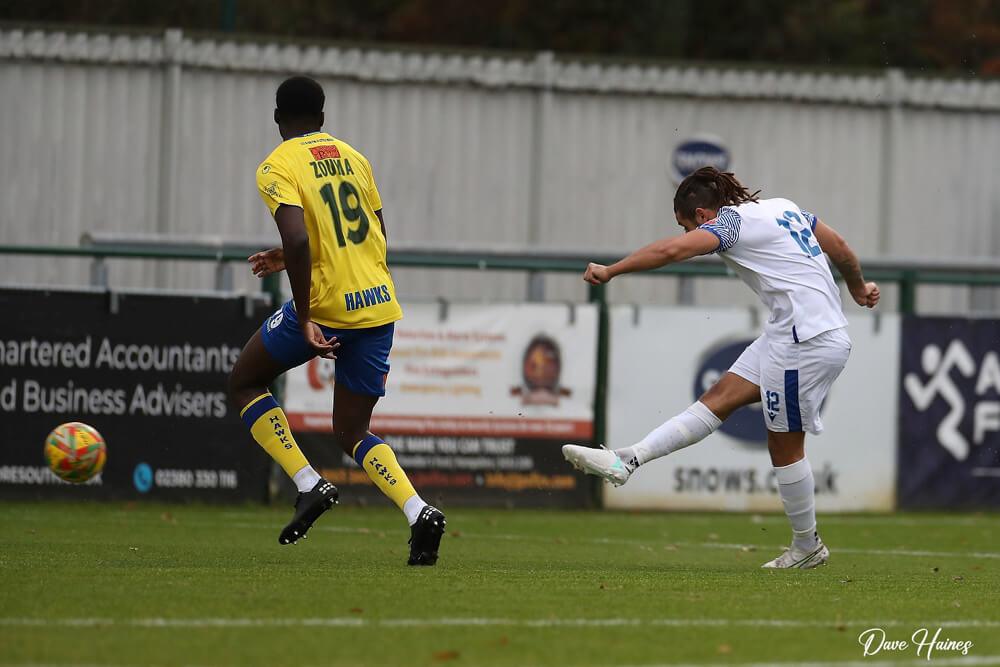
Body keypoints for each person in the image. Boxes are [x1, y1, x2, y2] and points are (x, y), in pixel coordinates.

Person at [563, 166, 879, 569]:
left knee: (784, 445)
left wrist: (611, 270)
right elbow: (840, 245)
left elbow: (670, 252)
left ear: (700, 216)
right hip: (792, 334)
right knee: (719, 399)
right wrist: (856, 286)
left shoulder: (728, 223)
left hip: (806, 341)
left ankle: (807, 546)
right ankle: (629, 459)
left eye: (685, 226)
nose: (686, 235)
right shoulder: (783, 208)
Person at [227, 75, 446, 565]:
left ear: (278, 118)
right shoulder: (356, 158)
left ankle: (308, 483)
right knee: (351, 431)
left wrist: (305, 316)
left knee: (244, 382)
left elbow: (304, 239)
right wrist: (291, 256)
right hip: (378, 304)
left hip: (328, 308)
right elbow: (375, 235)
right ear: (322, 118)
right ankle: (419, 511)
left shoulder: (276, 166)